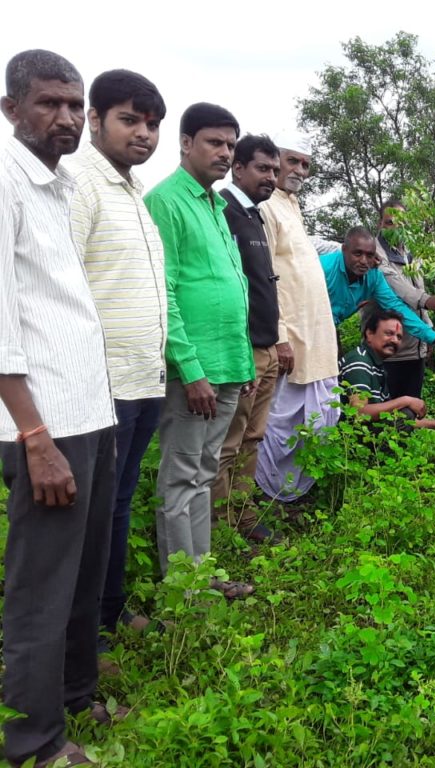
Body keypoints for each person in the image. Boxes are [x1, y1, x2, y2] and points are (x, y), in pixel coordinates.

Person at [0, 49, 119, 768]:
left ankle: (76, 693)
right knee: (40, 586)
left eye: (75, 105)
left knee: (82, 570)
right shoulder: (6, 183)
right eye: (49, 104)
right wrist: (34, 435)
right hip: (44, 422)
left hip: (88, 412)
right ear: (12, 109)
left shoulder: (58, 187)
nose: (67, 119)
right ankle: (32, 742)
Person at [68, 69, 167, 646]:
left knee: (118, 505)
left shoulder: (131, 193)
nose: (144, 134)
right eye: (129, 120)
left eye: (151, 123)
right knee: (87, 517)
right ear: (95, 119)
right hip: (100, 385)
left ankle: (109, 610)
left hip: (142, 379)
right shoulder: (79, 185)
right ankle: (85, 638)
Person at [144, 102, 255, 598]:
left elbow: (233, 287)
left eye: (231, 145)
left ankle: (202, 576)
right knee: (183, 476)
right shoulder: (166, 201)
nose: (225, 153)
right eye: (215, 142)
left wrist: (243, 360)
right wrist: (190, 369)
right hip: (195, 372)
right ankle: (180, 593)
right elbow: (163, 292)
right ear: (186, 143)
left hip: (229, 364)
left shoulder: (215, 204)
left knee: (204, 473)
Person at [253, 130, 342, 503]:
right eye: (294, 161)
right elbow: (263, 274)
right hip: (289, 338)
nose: (301, 171)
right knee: (278, 421)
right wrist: (279, 335)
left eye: (306, 164)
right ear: (275, 162)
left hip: (316, 337)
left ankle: (296, 494)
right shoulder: (264, 206)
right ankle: (263, 498)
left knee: (317, 420)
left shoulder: (290, 204)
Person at [212, 134, 281, 541]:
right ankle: (220, 527)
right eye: (262, 168)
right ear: (238, 168)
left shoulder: (254, 215)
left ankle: (244, 514)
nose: (271, 176)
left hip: (266, 346)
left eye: (274, 169)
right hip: (243, 350)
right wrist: (242, 350)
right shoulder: (226, 212)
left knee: (253, 438)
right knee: (229, 442)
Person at [362, 198, 435, 398]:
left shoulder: (412, 252)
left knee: (411, 407)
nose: (395, 228)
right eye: (389, 223)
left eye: (401, 224)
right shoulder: (374, 252)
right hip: (386, 348)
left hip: (414, 346)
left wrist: (428, 332)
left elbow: (418, 285)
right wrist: (427, 300)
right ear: (380, 224)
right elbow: (393, 284)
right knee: (385, 410)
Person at [340, 310, 435, 429]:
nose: (394, 340)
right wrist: (405, 400)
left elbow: (389, 416)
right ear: (369, 334)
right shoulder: (359, 361)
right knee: (405, 412)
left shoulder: (377, 365)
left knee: (404, 413)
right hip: (345, 436)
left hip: (364, 434)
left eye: (399, 337)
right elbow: (358, 412)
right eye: (388, 333)